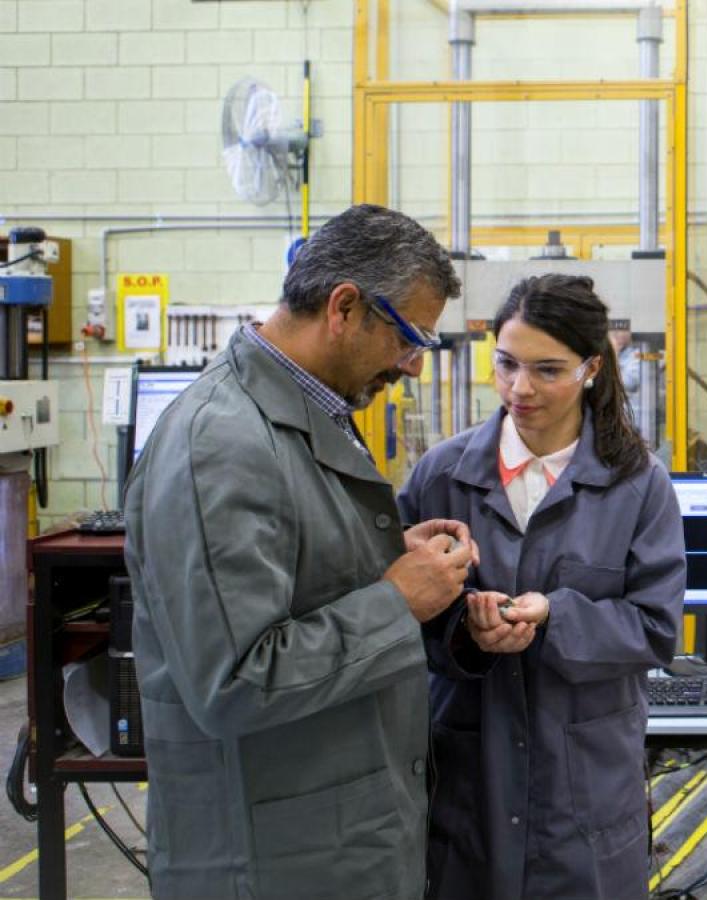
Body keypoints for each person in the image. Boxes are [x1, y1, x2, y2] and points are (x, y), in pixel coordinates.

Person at [124, 204, 476, 898]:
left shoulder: (304, 416)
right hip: (272, 863)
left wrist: (375, 558)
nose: (409, 366)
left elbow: (293, 578)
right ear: (345, 307)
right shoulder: (222, 443)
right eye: (409, 338)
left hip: (333, 843)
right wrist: (398, 601)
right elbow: (236, 679)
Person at [399, 273, 686, 900]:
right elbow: (393, 619)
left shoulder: (637, 485)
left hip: (582, 794)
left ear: (591, 369)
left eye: (547, 370)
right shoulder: (440, 477)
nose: (520, 388)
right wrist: (465, 632)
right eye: (506, 364)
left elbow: (656, 628)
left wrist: (554, 614)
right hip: (467, 780)